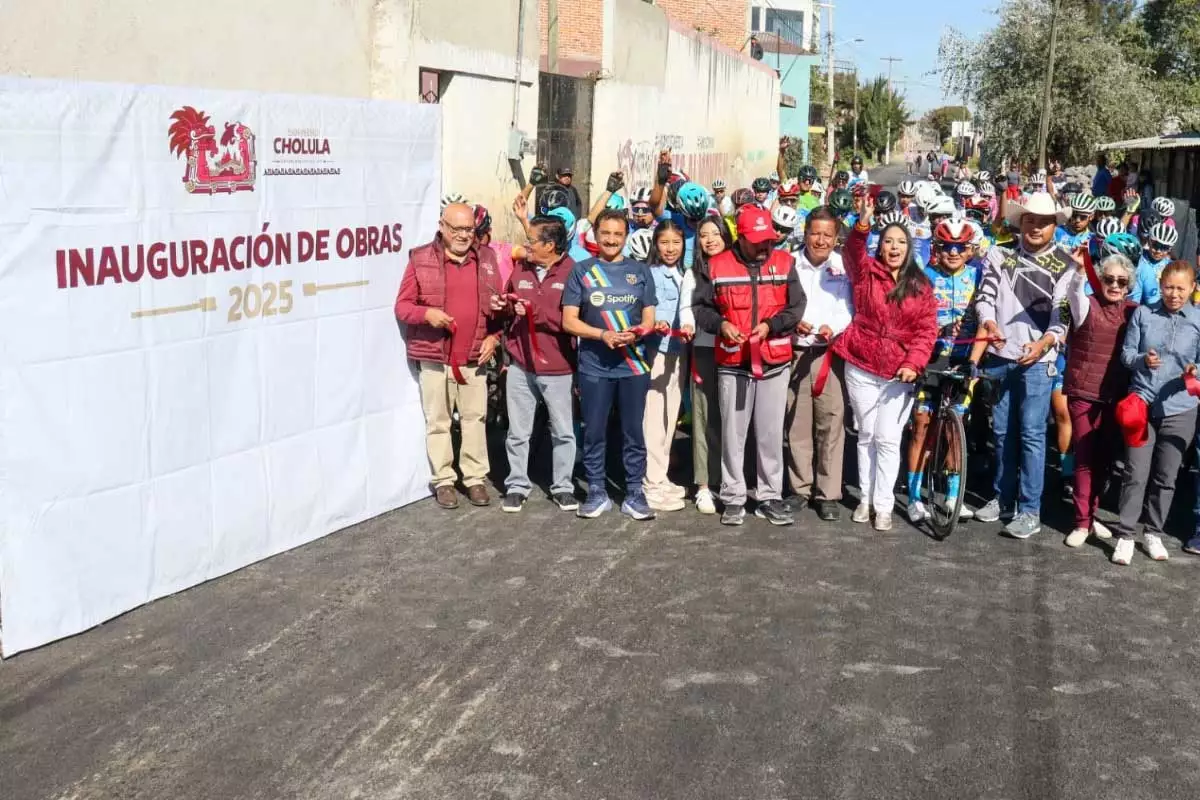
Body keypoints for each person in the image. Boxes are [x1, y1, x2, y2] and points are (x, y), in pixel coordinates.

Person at [691, 206, 805, 527]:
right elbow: (701, 308)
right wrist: (721, 324)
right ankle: (733, 496)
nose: (764, 247)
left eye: (768, 239)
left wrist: (772, 325)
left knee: (769, 433)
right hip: (732, 361)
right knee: (732, 432)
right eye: (756, 241)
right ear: (740, 238)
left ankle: (769, 495)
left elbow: (797, 306)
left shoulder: (785, 263)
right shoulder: (715, 266)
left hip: (775, 361)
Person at [835, 192, 938, 531]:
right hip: (862, 365)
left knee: (888, 439)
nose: (894, 248)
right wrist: (862, 225)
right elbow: (851, 252)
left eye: (900, 243)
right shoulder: (866, 274)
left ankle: (884, 505)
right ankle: (864, 500)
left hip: (899, 374)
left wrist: (914, 363)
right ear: (879, 246)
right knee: (866, 435)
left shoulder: (921, 285)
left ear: (909, 249)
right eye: (888, 242)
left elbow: (926, 331)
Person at [974, 192, 1074, 538]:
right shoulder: (998, 255)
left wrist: (1045, 343)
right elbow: (984, 297)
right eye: (1029, 219)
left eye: (1043, 221)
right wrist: (988, 323)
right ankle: (1002, 499)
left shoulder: (1066, 264)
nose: (1035, 226)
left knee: (1032, 435)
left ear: (1054, 226)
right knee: (1001, 432)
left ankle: (1029, 509)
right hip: (1000, 357)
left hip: (1038, 362)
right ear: (1019, 222)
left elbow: (1063, 316)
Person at [394, 202, 503, 509]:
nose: (463, 235)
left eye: (468, 229)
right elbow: (402, 307)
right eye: (456, 228)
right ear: (441, 226)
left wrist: (494, 337)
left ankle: (474, 478)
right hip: (436, 357)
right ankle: (444, 480)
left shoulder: (488, 258)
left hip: (474, 356)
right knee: (439, 421)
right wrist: (426, 313)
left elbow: (499, 309)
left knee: (475, 419)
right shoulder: (420, 259)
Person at [562, 209, 658, 520]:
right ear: (596, 234)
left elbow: (649, 318)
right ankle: (596, 492)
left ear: (626, 236)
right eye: (606, 233)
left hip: (633, 366)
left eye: (618, 234)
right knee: (594, 432)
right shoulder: (581, 271)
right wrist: (602, 334)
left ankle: (634, 492)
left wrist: (636, 334)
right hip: (594, 367)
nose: (611, 240)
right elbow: (569, 321)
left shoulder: (641, 271)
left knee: (633, 431)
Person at [1112, 261, 1200, 565]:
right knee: (1135, 472)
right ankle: (1125, 534)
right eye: (1168, 287)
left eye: (1180, 288)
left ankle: (1152, 531)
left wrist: (1194, 369)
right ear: (1160, 284)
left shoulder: (1198, 320)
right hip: (1142, 405)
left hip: (1181, 409)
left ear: (1192, 288)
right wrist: (1141, 360)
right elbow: (1125, 355)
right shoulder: (1143, 313)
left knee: (1166, 476)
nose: (1173, 294)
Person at [495, 215, 579, 513]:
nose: (526, 246)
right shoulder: (521, 269)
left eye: (532, 241)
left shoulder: (573, 273)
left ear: (551, 245)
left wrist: (536, 314)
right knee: (518, 431)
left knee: (563, 431)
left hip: (558, 366)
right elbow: (508, 304)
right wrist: (504, 306)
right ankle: (517, 485)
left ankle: (563, 486)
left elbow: (573, 321)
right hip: (521, 364)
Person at [906, 219, 982, 523]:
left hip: (964, 359)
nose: (953, 252)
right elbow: (910, 318)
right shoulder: (923, 277)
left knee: (955, 427)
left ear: (969, 251)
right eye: (947, 247)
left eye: (960, 247)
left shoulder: (978, 277)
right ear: (936, 248)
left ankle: (953, 495)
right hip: (930, 359)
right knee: (923, 425)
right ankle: (913, 497)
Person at [1061, 251, 1135, 547]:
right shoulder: (1086, 304)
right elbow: (1073, 293)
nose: (1115, 285)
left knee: (1104, 461)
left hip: (1115, 396)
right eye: (1108, 279)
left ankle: (1091, 516)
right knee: (1085, 458)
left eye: (1121, 281)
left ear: (1129, 285)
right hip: (1083, 393)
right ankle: (1081, 522)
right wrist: (1080, 271)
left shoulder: (1134, 311)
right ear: (1099, 279)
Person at [785, 207, 853, 520]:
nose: (820, 240)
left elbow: (849, 308)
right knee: (797, 423)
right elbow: (779, 304)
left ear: (836, 237)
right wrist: (793, 323)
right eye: (815, 233)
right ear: (805, 233)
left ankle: (828, 493)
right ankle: (800, 488)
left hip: (830, 353)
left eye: (828, 235)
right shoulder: (788, 263)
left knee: (831, 424)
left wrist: (832, 327)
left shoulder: (843, 267)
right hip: (795, 352)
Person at [680, 217, 734, 515]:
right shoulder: (694, 273)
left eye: (716, 234)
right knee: (702, 418)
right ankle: (703, 485)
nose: (710, 239)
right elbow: (686, 308)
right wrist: (687, 325)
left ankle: (731, 481)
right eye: (703, 235)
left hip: (736, 352)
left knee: (733, 420)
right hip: (703, 349)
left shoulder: (739, 269)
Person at [641, 221, 691, 512]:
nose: (670, 249)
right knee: (654, 415)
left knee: (670, 415)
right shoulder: (651, 274)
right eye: (664, 243)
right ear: (655, 245)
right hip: (657, 352)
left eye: (676, 242)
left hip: (678, 351)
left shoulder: (683, 274)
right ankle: (651, 480)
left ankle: (661, 474)